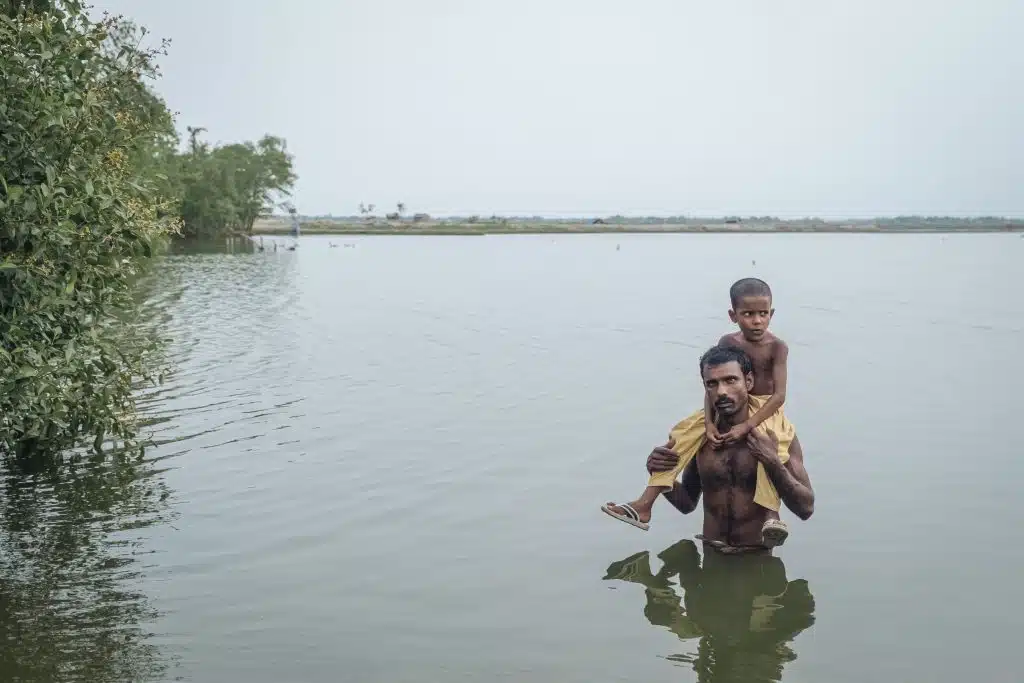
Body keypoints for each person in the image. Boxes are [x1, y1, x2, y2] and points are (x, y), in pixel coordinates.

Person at [601, 278, 794, 546]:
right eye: (748, 314)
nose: (757, 321)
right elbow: (712, 383)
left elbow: (780, 396)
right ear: (733, 315)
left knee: (774, 447)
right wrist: (709, 424)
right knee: (681, 435)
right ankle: (644, 504)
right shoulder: (728, 342)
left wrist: (747, 425)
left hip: (764, 408)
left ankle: (771, 515)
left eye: (763, 314)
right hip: (726, 405)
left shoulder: (777, 347)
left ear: (771, 314)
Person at [622, 345, 815, 553]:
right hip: (711, 555)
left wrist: (772, 462)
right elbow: (686, 503)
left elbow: (806, 509)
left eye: (730, 380)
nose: (721, 392)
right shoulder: (702, 438)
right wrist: (657, 471)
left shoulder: (776, 436)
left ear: (748, 382)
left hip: (756, 559)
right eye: (712, 384)